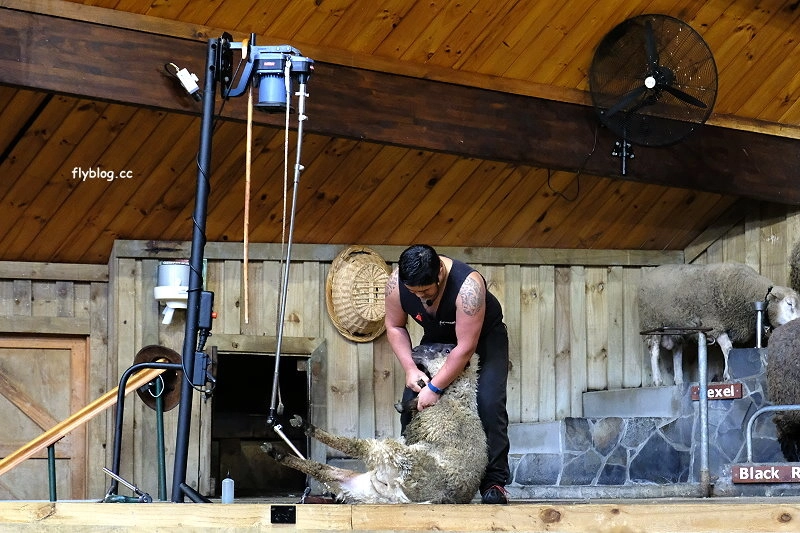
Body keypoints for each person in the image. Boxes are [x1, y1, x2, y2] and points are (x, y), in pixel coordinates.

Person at [384, 244, 510, 504]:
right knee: (413, 401)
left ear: (440, 272)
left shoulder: (469, 288)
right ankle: (413, 475)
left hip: (482, 340)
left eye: (426, 291)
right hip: (437, 337)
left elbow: (465, 349)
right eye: (413, 292)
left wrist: (436, 388)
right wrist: (410, 368)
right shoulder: (396, 283)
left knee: (489, 402)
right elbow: (395, 326)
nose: (420, 297)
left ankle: (494, 482)